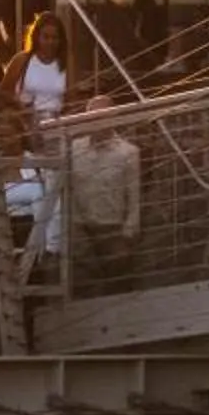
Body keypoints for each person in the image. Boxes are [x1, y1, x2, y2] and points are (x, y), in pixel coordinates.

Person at [64, 102, 143, 288]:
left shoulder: (128, 152)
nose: (96, 122)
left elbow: (134, 193)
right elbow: (67, 188)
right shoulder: (74, 149)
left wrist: (130, 230)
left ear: (113, 118)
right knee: (85, 285)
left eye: (101, 117)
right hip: (80, 229)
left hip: (113, 228)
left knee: (117, 283)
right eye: (91, 117)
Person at [2, 13, 72, 126]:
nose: (50, 42)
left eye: (55, 38)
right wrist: (19, 105)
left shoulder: (65, 64)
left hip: (56, 126)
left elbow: (71, 101)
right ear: (36, 37)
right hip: (25, 125)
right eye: (46, 37)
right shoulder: (22, 60)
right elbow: (3, 93)